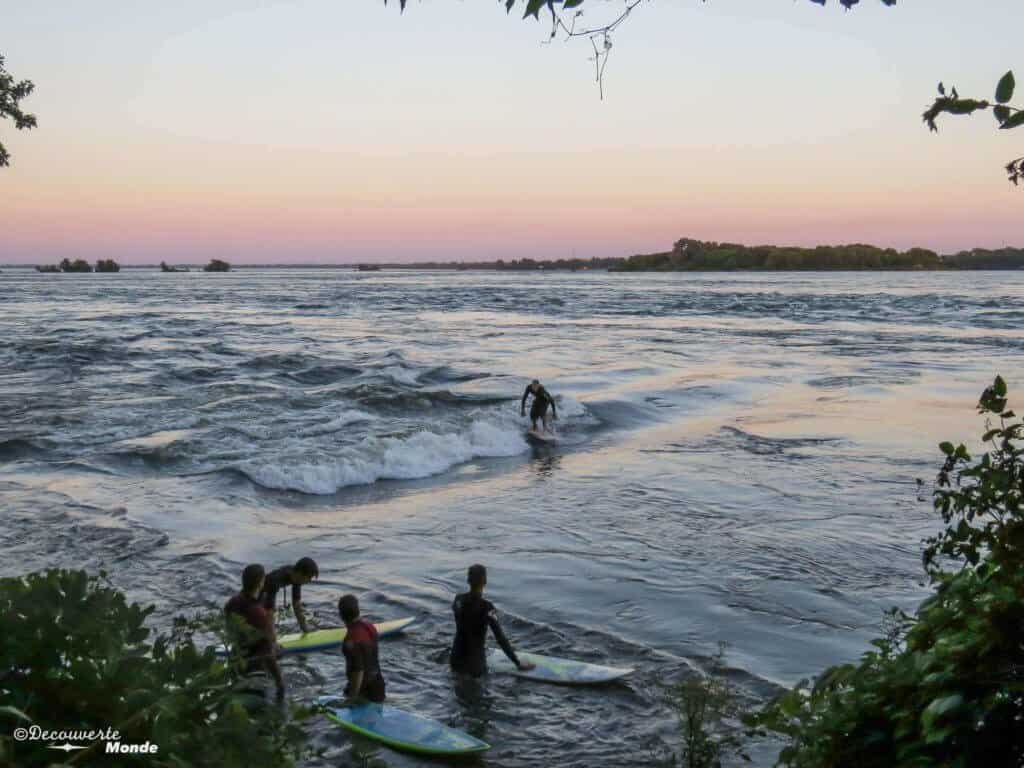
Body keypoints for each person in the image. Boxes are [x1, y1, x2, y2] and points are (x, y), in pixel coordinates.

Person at [450, 564, 535, 677]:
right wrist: (517, 662)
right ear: (485, 581)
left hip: (455, 660)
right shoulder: (487, 607)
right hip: (475, 666)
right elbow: (500, 638)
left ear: (468, 580)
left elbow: (465, 624)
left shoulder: (458, 600)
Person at [224, 564, 285, 699]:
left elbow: (230, 633)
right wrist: (280, 684)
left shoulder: (231, 603)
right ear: (260, 583)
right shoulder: (260, 614)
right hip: (255, 673)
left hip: (236, 664)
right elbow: (268, 655)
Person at [338, 594, 386, 702]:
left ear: (340, 615)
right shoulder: (370, 626)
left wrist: (352, 699)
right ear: (358, 610)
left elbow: (358, 671)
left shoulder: (351, 640)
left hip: (364, 691)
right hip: (379, 685)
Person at [259, 557, 319, 633]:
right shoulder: (275, 581)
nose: (310, 581)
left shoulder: (296, 577)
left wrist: (305, 629)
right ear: (300, 573)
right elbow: (270, 611)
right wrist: (272, 638)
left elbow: (296, 604)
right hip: (258, 593)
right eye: (309, 577)